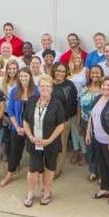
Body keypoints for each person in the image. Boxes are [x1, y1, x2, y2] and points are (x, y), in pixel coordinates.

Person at [23, 74, 68, 207]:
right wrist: (30, 136)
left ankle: (47, 192)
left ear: (51, 88)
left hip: (50, 143)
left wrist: (49, 140)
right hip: (34, 142)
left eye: (47, 86)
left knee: (49, 168)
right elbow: (25, 121)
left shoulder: (57, 103)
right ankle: (31, 193)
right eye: (42, 86)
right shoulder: (31, 101)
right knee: (33, 170)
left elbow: (61, 125)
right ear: (38, 87)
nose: (45, 88)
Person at [86, 77, 109, 205]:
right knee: (101, 165)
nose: (105, 87)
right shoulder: (97, 98)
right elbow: (92, 115)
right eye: (103, 85)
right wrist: (88, 132)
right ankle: (104, 188)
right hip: (97, 139)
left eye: (108, 85)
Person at [1, 68, 36, 188]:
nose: (23, 79)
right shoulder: (15, 91)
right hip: (18, 128)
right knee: (14, 151)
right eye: (21, 76)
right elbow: (10, 110)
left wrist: (29, 130)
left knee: (34, 152)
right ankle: (9, 174)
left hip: (33, 129)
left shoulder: (36, 91)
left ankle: (36, 176)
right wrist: (17, 127)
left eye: (25, 76)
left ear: (30, 77)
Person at [51, 62, 79, 178]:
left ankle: (57, 170)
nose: (60, 73)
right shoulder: (48, 83)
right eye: (58, 70)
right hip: (49, 122)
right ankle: (49, 166)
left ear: (66, 73)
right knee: (50, 144)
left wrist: (74, 119)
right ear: (54, 71)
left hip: (64, 121)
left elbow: (74, 103)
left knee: (62, 145)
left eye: (63, 71)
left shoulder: (69, 85)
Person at [78, 65, 104, 180]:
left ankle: (101, 172)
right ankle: (93, 170)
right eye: (92, 73)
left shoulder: (105, 89)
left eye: (97, 73)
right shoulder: (84, 88)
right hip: (85, 122)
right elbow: (79, 106)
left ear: (101, 75)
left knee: (100, 148)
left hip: (99, 124)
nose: (94, 75)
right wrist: (78, 122)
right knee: (89, 147)